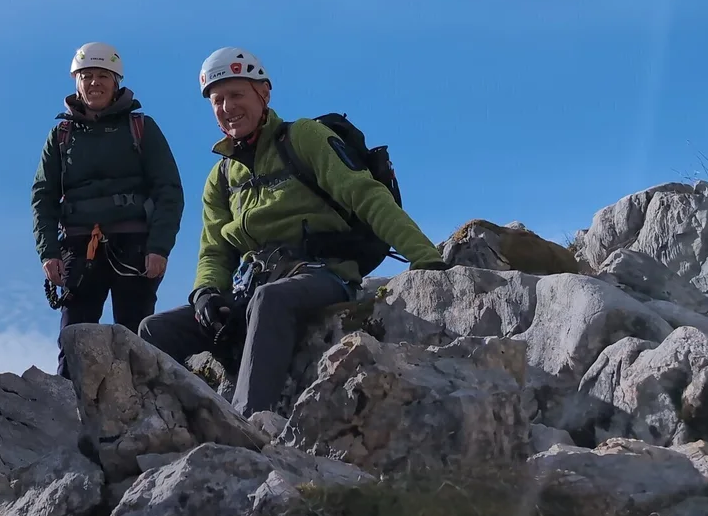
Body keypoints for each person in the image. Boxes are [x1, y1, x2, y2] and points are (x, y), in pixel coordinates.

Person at [136, 47, 446, 416]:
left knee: (271, 300)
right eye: (217, 100)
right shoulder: (220, 178)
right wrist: (205, 292)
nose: (227, 107)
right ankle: (177, 422)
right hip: (250, 288)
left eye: (237, 94)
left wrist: (426, 258)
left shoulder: (303, 137)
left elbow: (365, 195)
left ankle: (248, 422)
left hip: (322, 273)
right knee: (153, 330)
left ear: (263, 93)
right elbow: (215, 251)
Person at [31, 43, 184, 352]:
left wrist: (159, 247)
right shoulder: (61, 135)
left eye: (103, 75)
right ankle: (71, 401)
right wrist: (49, 252)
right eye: (86, 76)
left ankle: (137, 401)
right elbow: (43, 197)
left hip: (135, 248)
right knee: (74, 344)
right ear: (76, 81)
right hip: (78, 247)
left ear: (117, 83)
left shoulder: (141, 128)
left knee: (135, 343)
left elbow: (168, 190)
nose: (94, 83)